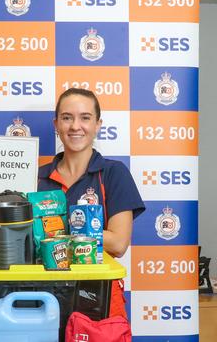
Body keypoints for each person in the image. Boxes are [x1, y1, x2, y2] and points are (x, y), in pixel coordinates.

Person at [37, 88, 145, 319]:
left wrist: (54, 231)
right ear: (56, 124)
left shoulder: (113, 173)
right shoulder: (36, 178)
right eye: (67, 118)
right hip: (44, 297)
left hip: (99, 297)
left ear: (97, 124)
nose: (76, 126)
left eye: (85, 118)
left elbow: (117, 243)